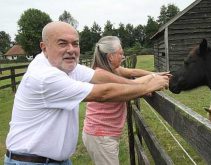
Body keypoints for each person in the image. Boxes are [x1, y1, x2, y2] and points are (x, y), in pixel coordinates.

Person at [4, 21, 169, 165]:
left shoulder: (64, 65)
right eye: (62, 43)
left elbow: (99, 76)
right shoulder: (45, 77)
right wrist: (146, 87)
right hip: (32, 162)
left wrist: (137, 84)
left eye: (75, 43)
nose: (71, 49)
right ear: (44, 47)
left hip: (53, 160)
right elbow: (102, 93)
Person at [82, 36, 164, 165]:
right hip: (101, 135)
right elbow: (131, 86)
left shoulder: (113, 70)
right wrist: (153, 79)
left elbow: (132, 72)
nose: (123, 56)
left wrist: (157, 75)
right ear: (110, 56)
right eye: (120, 53)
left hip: (103, 135)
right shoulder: (101, 75)